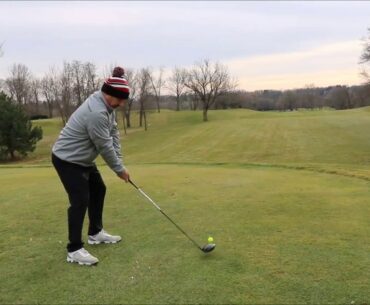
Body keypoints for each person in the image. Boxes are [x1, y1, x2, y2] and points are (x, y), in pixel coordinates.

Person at [52, 66, 130, 266]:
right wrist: (119, 170)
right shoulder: (96, 112)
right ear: (110, 94)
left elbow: (113, 134)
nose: (122, 103)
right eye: (120, 99)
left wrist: (120, 162)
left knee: (99, 189)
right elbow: (104, 146)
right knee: (80, 200)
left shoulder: (107, 106)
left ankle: (95, 233)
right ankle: (74, 249)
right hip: (67, 159)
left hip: (83, 159)